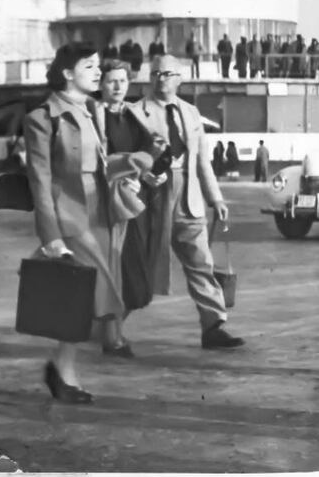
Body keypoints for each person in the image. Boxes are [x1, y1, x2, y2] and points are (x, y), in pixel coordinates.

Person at [24, 42, 121, 403]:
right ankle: (63, 371)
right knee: (91, 294)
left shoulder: (93, 110)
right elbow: (40, 179)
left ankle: (62, 368)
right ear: (67, 73)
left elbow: (100, 164)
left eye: (98, 66)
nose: (98, 72)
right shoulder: (42, 118)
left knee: (88, 297)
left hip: (99, 214)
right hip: (69, 216)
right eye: (89, 66)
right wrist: (51, 235)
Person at [129, 55, 244, 350]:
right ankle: (108, 323)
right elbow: (127, 158)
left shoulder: (191, 113)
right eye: (155, 74)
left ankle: (214, 326)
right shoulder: (135, 112)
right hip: (152, 198)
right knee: (139, 264)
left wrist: (215, 198)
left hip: (189, 197)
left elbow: (203, 161)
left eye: (167, 74)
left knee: (201, 262)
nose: (161, 79)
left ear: (180, 79)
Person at [95, 60, 160, 357]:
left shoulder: (133, 116)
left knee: (136, 279)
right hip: (106, 204)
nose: (118, 86)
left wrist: (149, 175)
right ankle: (112, 338)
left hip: (132, 204)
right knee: (114, 273)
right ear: (101, 84)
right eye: (111, 80)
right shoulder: (94, 117)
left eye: (123, 80)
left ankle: (107, 330)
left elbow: (146, 155)